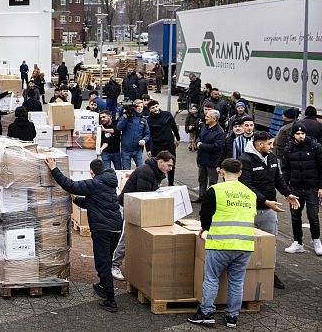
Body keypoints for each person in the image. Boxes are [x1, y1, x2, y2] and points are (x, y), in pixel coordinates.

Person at [45, 158, 122, 312]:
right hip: (116, 229)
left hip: (103, 230)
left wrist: (54, 168)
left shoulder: (94, 183)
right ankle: (102, 286)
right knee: (107, 258)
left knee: (103, 264)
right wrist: (76, 200)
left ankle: (111, 301)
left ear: (92, 172)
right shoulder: (109, 182)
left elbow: (70, 185)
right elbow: (94, 203)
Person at [188, 159, 256, 328]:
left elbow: (205, 213)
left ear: (221, 172)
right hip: (244, 245)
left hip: (220, 243)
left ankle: (206, 313)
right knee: (237, 282)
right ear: (240, 173)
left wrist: (204, 229)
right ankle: (232, 317)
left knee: (211, 279)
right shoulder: (250, 193)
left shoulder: (216, 190)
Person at [238, 131, 299, 289]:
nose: (272, 147)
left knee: (270, 244)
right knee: (247, 245)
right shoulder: (245, 160)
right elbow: (247, 187)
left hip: (269, 210)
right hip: (250, 211)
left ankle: (270, 273)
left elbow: (278, 178)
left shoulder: (271, 158)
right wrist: (265, 201)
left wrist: (288, 193)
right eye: (270, 144)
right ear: (260, 145)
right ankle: (246, 274)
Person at [111, 151, 174, 281]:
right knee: (126, 236)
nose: (170, 169)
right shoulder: (147, 172)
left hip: (137, 206)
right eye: (169, 165)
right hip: (130, 207)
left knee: (131, 236)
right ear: (160, 162)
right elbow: (144, 195)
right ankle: (114, 264)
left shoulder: (155, 172)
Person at [281, 122, 322, 255]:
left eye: (302, 133)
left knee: (313, 216)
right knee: (295, 216)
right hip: (295, 188)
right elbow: (285, 170)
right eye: (298, 134)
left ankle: (316, 240)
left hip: (312, 188)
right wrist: (286, 191)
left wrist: (321, 187)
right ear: (293, 135)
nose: (300, 136)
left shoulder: (315, 147)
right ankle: (297, 242)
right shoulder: (288, 149)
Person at [146, 100, 180, 186]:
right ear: (149, 109)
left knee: (171, 164)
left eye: (156, 106)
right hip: (157, 145)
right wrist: (148, 149)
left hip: (169, 144)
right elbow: (148, 135)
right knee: (156, 165)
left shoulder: (167, 114)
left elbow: (174, 126)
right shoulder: (149, 120)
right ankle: (157, 183)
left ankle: (171, 183)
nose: (155, 109)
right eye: (153, 108)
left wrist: (178, 138)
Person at [195, 109, 226, 203]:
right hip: (202, 159)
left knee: (212, 182)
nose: (205, 118)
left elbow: (217, 146)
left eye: (207, 117)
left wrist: (201, 145)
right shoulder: (205, 126)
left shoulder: (219, 131)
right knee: (201, 179)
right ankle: (201, 196)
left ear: (214, 119)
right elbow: (200, 136)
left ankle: (210, 199)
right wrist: (198, 141)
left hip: (212, 161)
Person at [117, 100, 150, 170]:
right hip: (126, 150)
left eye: (141, 107)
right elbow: (119, 128)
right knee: (126, 171)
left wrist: (144, 140)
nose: (140, 108)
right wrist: (124, 117)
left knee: (141, 170)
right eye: (138, 106)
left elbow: (147, 134)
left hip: (138, 150)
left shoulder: (144, 120)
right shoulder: (127, 117)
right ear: (134, 107)